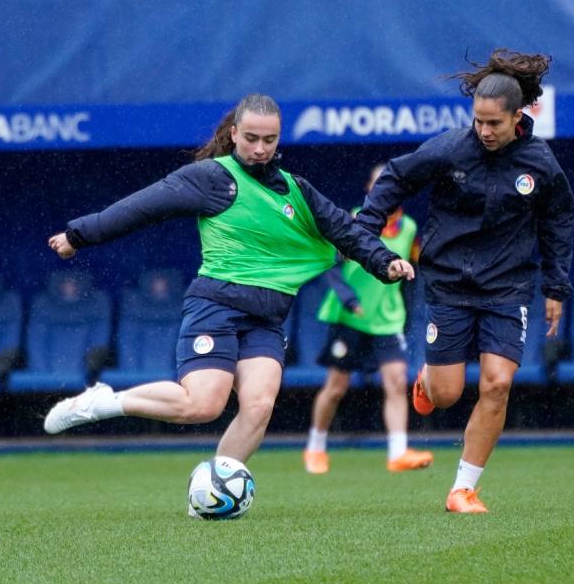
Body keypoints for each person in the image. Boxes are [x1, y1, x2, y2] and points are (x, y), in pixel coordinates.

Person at [43, 94, 415, 472]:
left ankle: (215, 489)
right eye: (251, 138)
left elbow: (347, 231)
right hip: (216, 307)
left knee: (259, 406)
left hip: (267, 319)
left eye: (269, 140)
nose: (259, 148)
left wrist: (386, 261)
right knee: (203, 406)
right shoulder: (212, 178)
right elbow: (142, 206)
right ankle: (104, 401)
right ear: (234, 134)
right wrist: (79, 235)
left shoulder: (297, 190)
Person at [356, 49, 574, 513]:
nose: (484, 131)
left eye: (494, 123)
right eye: (478, 121)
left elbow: (558, 221)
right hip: (450, 285)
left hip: (507, 288)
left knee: (497, 384)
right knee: (448, 393)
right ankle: (429, 382)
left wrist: (556, 287)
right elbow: (396, 176)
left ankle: (462, 489)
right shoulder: (451, 148)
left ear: (519, 116)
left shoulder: (540, 163)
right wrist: (367, 224)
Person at [302, 163, 432, 473]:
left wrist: (405, 313)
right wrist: (348, 298)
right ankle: (315, 447)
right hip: (349, 317)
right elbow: (329, 265)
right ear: (368, 190)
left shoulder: (410, 228)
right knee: (335, 387)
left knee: (397, 381)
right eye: (377, 185)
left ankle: (398, 452)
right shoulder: (352, 220)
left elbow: (414, 273)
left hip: (387, 320)